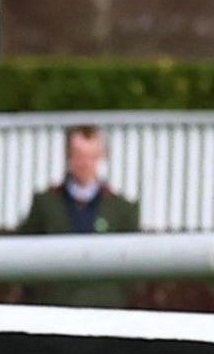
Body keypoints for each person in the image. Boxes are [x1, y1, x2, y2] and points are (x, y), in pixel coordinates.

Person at [14, 123, 140, 308]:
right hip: (54, 310)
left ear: (101, 157)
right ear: (69, 156)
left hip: (105, 312)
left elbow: (133, 267)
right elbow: (24, 254)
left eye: (91, 156)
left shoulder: (121, 209)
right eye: (79, 155)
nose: (84, 163)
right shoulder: (45, 204)